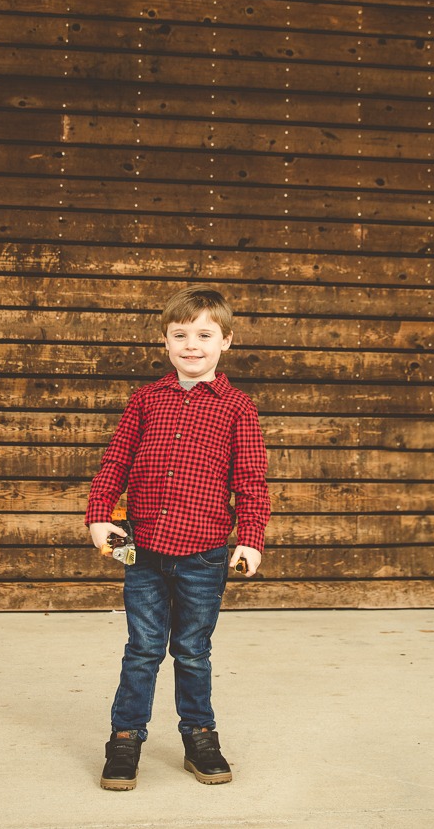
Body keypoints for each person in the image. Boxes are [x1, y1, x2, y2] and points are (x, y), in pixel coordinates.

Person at [84, 284, 270, 791]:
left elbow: (251, 481)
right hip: (139, 549)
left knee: (191, 649)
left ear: (226, 341)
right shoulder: (145, 400)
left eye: (204, 334)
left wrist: (249, 538)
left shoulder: (237, 408)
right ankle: (125, 738)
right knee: (142, 647)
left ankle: (199, 736)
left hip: (205, 555)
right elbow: (115, 461)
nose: (192, 345)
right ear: (165, 341)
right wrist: (99, 514)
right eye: (180, 334)